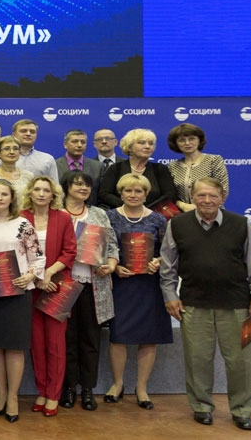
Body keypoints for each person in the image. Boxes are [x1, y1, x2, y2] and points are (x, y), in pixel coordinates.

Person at [160, 177, 251, 431]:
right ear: (192, 197)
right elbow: (167, 266)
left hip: (236, 304)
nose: (207, 200)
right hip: (193, 304)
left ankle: (242, 410)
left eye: (212, 196)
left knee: (240, 362)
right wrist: (170, 295)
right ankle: (201, 407)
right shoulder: (177, 224)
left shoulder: (241, 224)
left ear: (222, 198)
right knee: (197, 360)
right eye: (201, 195)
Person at [104, 174, 171, 410]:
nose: (133, 195)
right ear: (120, 193)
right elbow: (102, 248)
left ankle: (141, 388)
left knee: (148, 336)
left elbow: (168, 251)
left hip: (149, 285)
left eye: (138, 191)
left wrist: (158, 262)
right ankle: (118, 384)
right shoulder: (109, 217)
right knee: (118, 336)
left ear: (146, 194)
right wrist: (114, 267)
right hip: (120, 284)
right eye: (128, 190)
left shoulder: (159, 219)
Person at [0, 179, 44, 423]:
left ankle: (14, 397)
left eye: (3, 194)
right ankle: (1, 395)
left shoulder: (23, 224)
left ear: (11, 198)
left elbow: (37, 256)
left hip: (18, 293)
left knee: (15, 346)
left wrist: (31, 275)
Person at [59, 171, 119, 412]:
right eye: (78, 184)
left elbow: (112, 245)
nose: (84, 188)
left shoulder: (99, 214)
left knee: (90, 339)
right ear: (66, 187)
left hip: (93, 285)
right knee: (66, 339)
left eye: (87, 185)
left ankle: (87, 389)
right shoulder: (56, 213)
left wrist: (111, 264)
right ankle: (68, 387)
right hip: (63, 285)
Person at [20, 175, 76, 417]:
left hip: (55, 287)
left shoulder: (63, 218)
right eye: (37, 189)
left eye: (46, 190)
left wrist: (48, 274)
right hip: (29, 288)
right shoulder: (21, 217)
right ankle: (41, 391)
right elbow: (17, 253)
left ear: (53, 194)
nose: (42, 194)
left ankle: (54, 394)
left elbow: (70, 252)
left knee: (55, 344)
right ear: (30, 193)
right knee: (36, 344)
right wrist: (35, 277)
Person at [99, 128, 177, 210]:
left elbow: (170, 195)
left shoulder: (159, 169)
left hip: (153, 214)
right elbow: (105, 194)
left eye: (151, 144)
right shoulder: (116, 168)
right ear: (129, 147)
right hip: (121, 213)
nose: (147, 146)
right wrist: (129, 206)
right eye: (141, 143)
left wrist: (145, 210)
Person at [166, 123, 229, 212]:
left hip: (212, 213)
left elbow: (223, 190)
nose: (187, 143)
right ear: (176, 143)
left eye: (192, 138)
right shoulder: (172, 166)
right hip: (183, 215)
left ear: (199, 140)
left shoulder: (213, 160)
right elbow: (170, 195)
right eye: (182, 140)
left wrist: (203, 210)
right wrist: (183, 206)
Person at [55, 130, 104, 205]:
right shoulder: (55, 165)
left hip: (90, 209)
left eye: (83, 142)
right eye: (75, 141)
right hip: (61, 209)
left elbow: (102, 196)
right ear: (65, 144)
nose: (79, 145)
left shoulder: (98, 167)